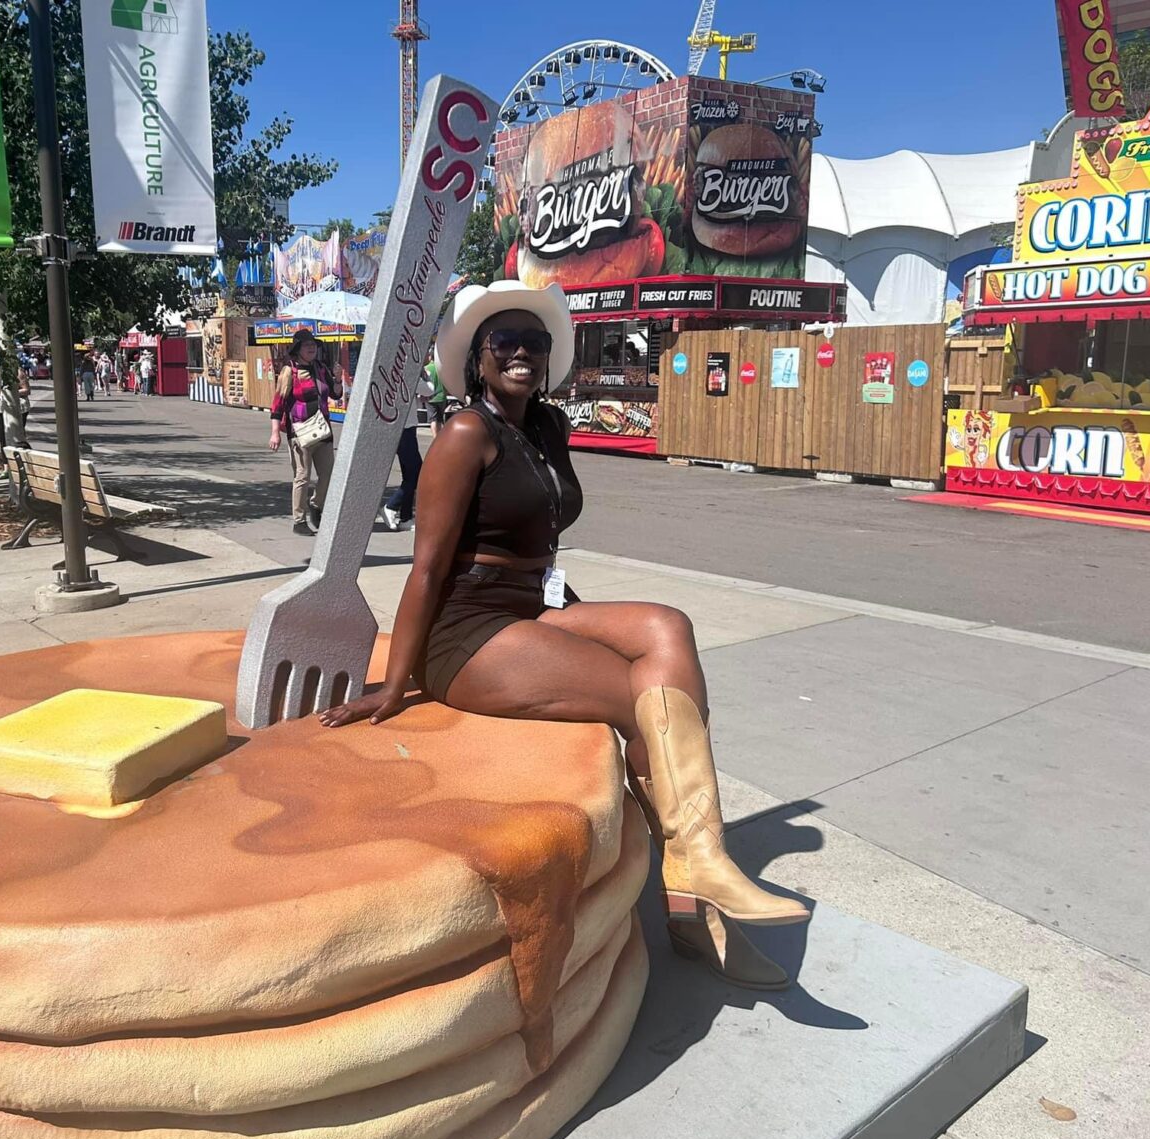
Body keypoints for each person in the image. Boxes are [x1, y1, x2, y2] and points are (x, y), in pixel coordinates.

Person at [319, 281, 808, 989]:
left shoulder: (545, 426)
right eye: (504, 344)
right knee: (634, 694)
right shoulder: (464, 435)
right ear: (476, 361)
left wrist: (577, 617)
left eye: (535, 342)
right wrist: (397, 682)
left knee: (667, 630)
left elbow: (542, 543)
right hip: (468, 630)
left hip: (533, 606)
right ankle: (696, 911)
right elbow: (426, 568)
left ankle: (697, 868)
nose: (521, 353)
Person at [269, 328, 341, 536]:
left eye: (314, 345)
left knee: (329, 474)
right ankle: (299, 521)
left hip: (322, 430)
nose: (312, 348)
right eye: (307, 345)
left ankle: (316, 504)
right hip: (300, 432)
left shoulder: (320, 368)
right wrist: (275, 432)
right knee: (302, 476)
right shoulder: (289, 371)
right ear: (298, 349)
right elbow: (278, 404)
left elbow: (335, 395)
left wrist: (337, 378)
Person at [381, 371, 434, 532]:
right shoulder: (408, 372)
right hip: (404, 427)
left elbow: (412, 399)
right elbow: (430, 389)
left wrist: (418, 398)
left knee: (410, 474)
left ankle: (406, 517)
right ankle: (391, 506)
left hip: (402, 425)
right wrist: (426, 376)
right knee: (417, 472)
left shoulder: (393, 373)